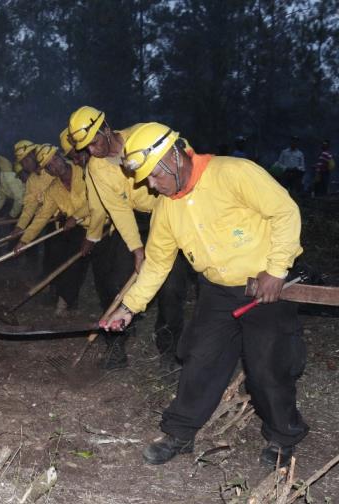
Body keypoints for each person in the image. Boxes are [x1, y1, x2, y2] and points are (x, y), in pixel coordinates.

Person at [100, 122, 307, 468]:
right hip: (217, 293)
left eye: (153, 176)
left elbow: (286, 212)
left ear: (172, 158)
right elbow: (156, 264)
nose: (151, 186)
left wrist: (277, 269)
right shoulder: (168, 207)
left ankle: (283, 438)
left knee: (267, 369)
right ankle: (180, 434)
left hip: (266, 290)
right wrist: (128, 308)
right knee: (200, 360)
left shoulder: (234, 173)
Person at [67, 108, 190, 371]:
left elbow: (183, 159)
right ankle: (116, 345)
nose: (92, 151)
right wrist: (137, 250)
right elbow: (118, 210)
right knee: (116, 280)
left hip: (170, 212)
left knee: (171, 286)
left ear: (106, 128)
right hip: (137, 221)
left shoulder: (143, 135)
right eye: (85, 147)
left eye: (94, 142)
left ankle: (168, 351)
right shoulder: (97, 168)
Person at [13, 144, 92, 315]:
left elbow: (95, 201)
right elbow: (41, 217)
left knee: (104, 272)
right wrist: (24, 240)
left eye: (55, 159)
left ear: (61, 156)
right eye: (49, 166)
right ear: (48, 171)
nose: (55, 166)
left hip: (101, 224)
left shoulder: (85, 172)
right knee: (67, 260)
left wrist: (75, 216)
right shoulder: (53, 190)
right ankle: (64, 301)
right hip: (77, 228)